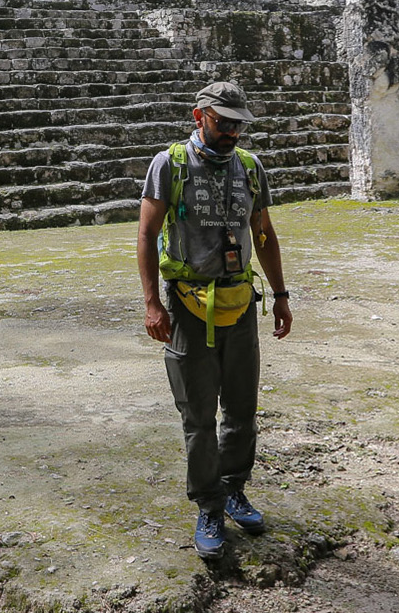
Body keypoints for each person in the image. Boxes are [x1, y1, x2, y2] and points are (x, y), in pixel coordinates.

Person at [137, 81, 292, 559]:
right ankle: (208, 504)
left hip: (240, 303)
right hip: (187, 305)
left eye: (237, 124)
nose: (231, 131)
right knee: (199, 415)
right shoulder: (171, 164)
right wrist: (151, 303)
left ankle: (233, 489)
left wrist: (281, 295)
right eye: (222, 122)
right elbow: (146, 234)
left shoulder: (250, 167)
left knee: (242, 410)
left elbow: (263, 234)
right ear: (198, 115)